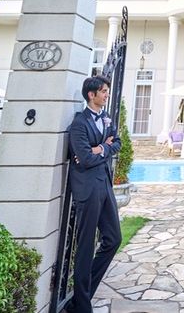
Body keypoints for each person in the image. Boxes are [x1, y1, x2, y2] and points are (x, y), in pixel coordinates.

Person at [65, 76, 122, 313]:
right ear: (92, 94)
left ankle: (82, 294)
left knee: (113, 239)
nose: (107, 94)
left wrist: (100, 148)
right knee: (86, 246)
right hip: (87, 188)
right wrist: (102, 149)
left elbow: (117, 143)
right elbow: (85, 159)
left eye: (107, 91)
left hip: (105, 185)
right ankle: (81, 306)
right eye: (104, 91)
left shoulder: (106, 118)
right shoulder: (79, 123)